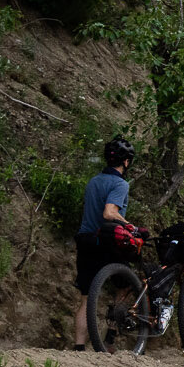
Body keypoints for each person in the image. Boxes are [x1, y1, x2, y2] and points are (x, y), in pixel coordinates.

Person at [73, 139, 139, 350]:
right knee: (125, 285)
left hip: (85, 241)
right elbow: (109, 212)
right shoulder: (120, 184)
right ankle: (110, 338)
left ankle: (79, 348)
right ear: (126, 162)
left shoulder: (93, 181)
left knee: (85, 298)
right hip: (107, 243)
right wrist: (131, 227)